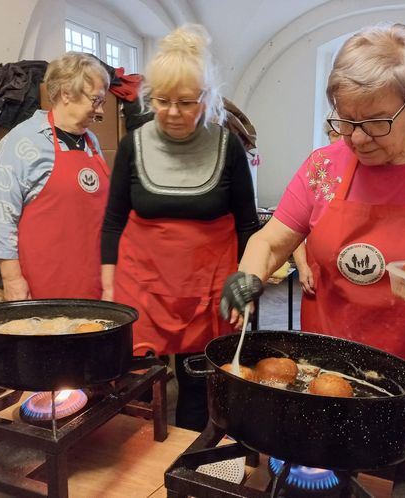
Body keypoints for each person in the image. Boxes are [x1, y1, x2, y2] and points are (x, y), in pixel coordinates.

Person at [221, 23, 405, 497]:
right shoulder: (323, 166)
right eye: (344, 120)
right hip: (329, 379)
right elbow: (272, 239)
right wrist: (246, 275)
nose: (357, 139)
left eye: (376, 122)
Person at [101, 24, 259, 431]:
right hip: (144, 286)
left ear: (207, 99)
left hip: (207, 289)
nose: (171, 112)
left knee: (198, 382)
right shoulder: (134, 145)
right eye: (162, 101)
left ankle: (189, 467)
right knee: (138, 382)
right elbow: (114, 221)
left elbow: (247, 226)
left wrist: (248, 288)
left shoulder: (229, 147)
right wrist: (107, 289)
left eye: (186, 102)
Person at [0, 52, 110, 300]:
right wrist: (12, 279)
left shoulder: (92, 142)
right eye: (96, 100)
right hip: (44, 282)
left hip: (92, 278)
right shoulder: (23, 141)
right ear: (66, 93)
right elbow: (2, 216)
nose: (101, 110)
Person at [293, 109, 343, 296]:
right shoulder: (318, 167)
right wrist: (302, 265)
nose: (340, 142)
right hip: (319, 277)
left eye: (345, 135)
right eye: (334, 135)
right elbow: (294, 226)